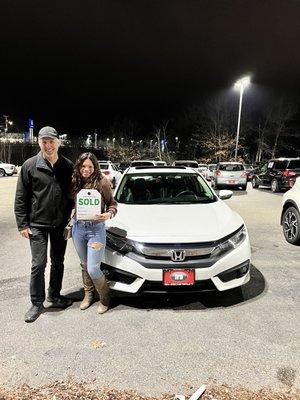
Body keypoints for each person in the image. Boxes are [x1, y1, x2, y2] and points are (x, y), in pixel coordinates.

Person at [14, 126, 74, 323]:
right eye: (44, 142)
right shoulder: (30, 165)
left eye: (51, 141)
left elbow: (74, 195)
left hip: (60, 224)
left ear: (58, 142)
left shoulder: (67, 166)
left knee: (58, 262)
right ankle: (37, 302)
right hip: (37, 224)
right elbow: (21, 197)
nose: (48, 146)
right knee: (39, 264)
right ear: (39, 143)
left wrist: (75, 217)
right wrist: (23, 224)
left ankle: (54, 295)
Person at [71, 152, 117, 314]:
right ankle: (88, 295)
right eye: (83, 166)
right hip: (78, 228)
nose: (86, 169)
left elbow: (112, 204)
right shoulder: (74, 181)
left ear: (95, 167)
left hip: (95, 229)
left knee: (93, 268)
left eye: (90, 166)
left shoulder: (102, 182)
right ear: (79, 166)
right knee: (84, 265)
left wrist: (108, 214)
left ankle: (104, 298)